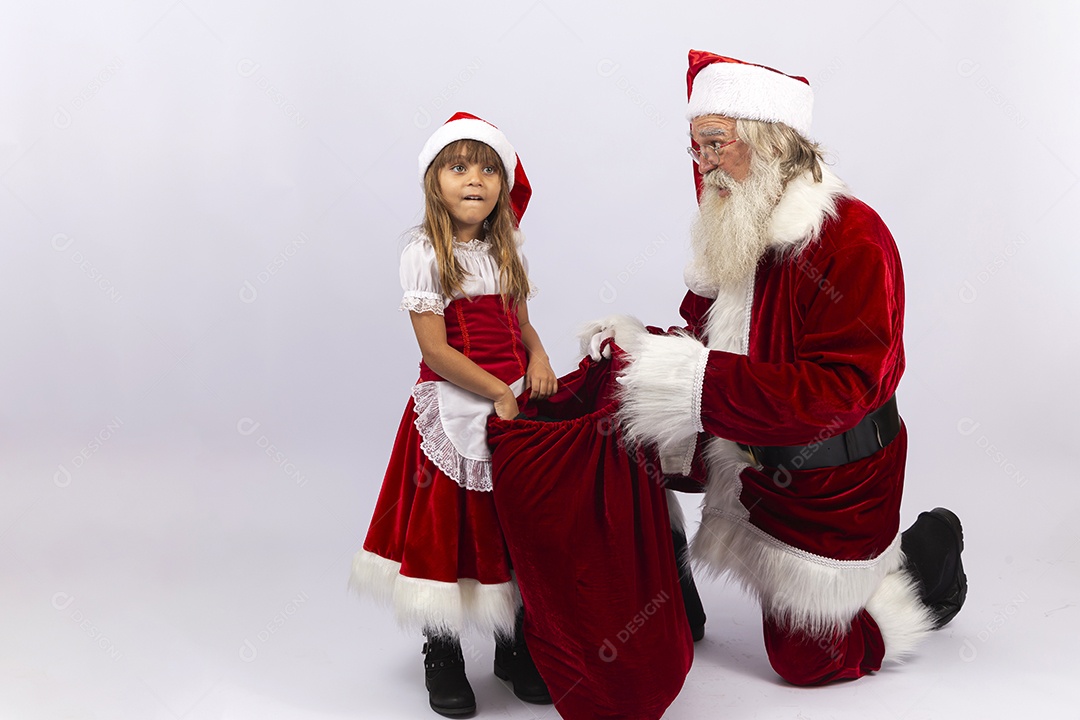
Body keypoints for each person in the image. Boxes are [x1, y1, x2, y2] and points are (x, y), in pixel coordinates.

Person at [582, 50, 967, 686]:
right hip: (743, 441)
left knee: (809, 665)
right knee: (608, 417)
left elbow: (837, 393)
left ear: (770, 139)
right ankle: (664, 595)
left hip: (828, 481)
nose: (701, 163)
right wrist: (636, 348)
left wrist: (687, 380)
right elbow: (707, 347)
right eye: (694, 146)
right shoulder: (735, 226)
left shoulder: (852, 239)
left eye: (714, 143)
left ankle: (923, 563)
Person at [351, 112, 557, 716]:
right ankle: (442, 653)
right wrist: (496, 390)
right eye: (459, 166)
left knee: (508, 525)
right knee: (447, 530)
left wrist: (538, 357)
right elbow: (435, 350)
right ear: (434, 182)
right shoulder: (423, 252)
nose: (476, 180)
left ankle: (511, 643)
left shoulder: (505, 247)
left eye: (489, 168)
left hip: (511, 400)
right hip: (457, 402)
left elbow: (520, 324)